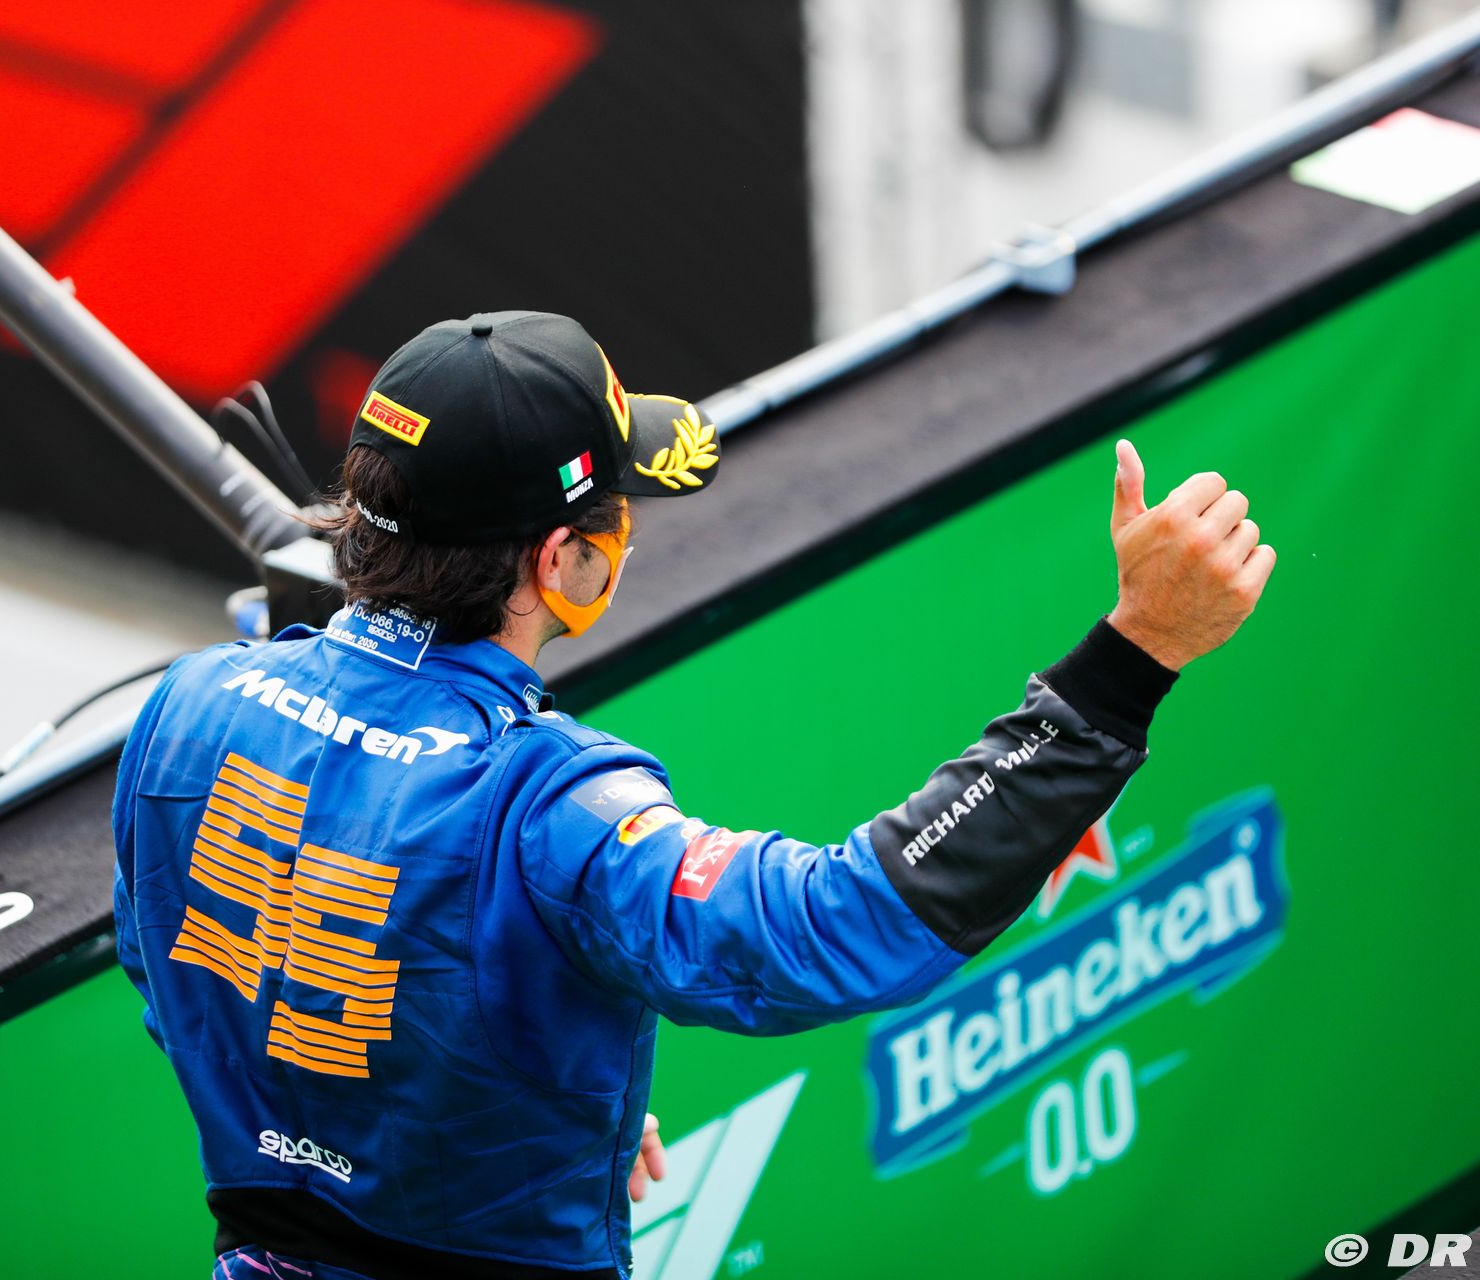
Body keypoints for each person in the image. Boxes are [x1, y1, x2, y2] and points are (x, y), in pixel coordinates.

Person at [110, 311, 1275, 1280]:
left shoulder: (189, 705)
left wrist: (508, 1099)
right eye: (618, 512)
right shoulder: (550, 806)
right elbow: (843, 923)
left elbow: (181, 974)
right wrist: (1133, 659)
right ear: (562, 560)